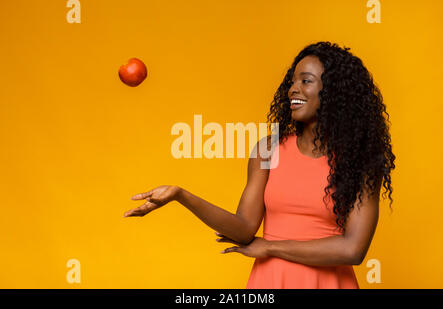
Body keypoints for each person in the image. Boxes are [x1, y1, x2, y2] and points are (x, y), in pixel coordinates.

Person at [123, 41, 396, 289]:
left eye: (306, 81)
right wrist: (179, 195)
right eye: (293, 80)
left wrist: (271, 248)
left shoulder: (358, 161)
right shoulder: (268, 150)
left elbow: (353, 250)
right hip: (271, 283)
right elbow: (243, 227)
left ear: (334, 93)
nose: (293, 88)